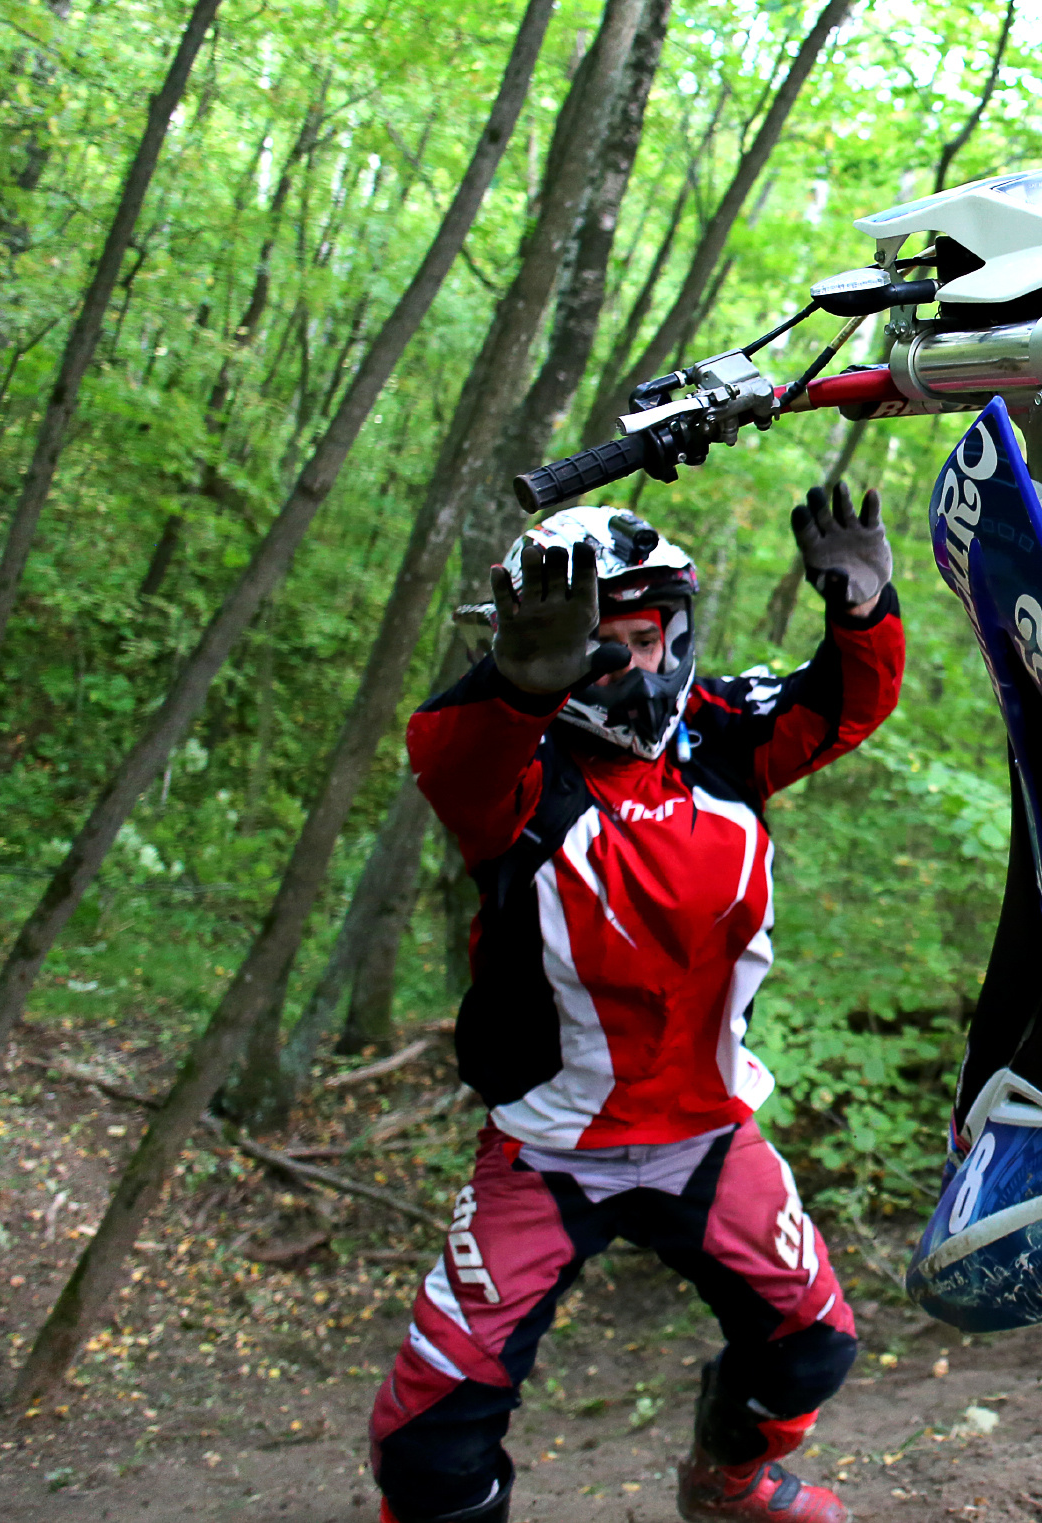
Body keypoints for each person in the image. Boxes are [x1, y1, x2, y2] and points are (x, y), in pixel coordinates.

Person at [367, 488, 903, 1523]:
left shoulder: (721, 741)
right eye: (594, 648)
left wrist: (863, 613)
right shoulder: (515, 771)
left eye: (645, 639)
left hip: (707, 1134)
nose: (629, 669)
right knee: (431, 1448)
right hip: (548, 1146)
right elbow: (449, 752)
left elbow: (840, 705)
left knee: (812, 1350)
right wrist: (518, 684)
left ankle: (728, 1483)